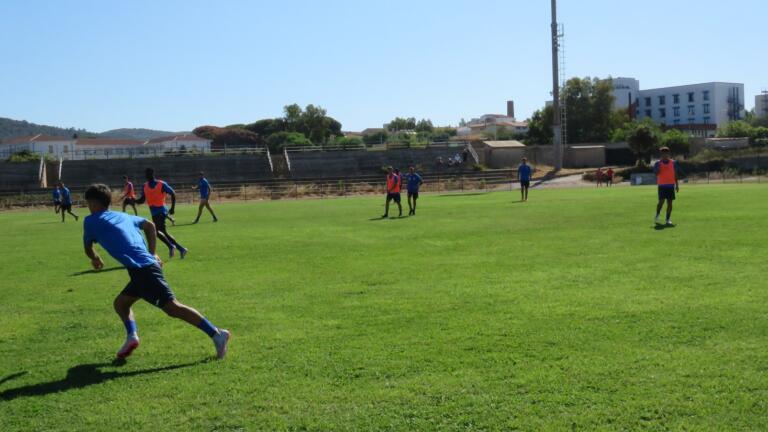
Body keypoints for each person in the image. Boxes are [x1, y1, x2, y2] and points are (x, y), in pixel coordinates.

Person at [81, 184, 230, 360]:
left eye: (89, 203)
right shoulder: (124, 216)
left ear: (94, 203)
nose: (88, 207)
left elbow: (88, 247)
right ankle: (132, 337)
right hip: (140, 270)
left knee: (173, 308)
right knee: (121, 304)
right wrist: (153, 253)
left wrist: (95, 258)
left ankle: (217, 334)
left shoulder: (90, 221)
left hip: (143, 270)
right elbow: (150, 226)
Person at [135, 168, 188, 258]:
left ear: (152, 174)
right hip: (154, 213)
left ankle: (171, 246)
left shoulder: (161, 184)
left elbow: (173, 193)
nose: (146, 176)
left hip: (161, 211)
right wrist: (133, 200)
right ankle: (181, 249)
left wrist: (172, 208)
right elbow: (142, 200)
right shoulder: (145, 186)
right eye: (146, 174)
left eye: (148, 174)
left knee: (155, 230)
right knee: (163, 232)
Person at [654, 147, 681, 226]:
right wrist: (658, 168)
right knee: (661, 202)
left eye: (666, 153)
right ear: (661, 154)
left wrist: (677, 185)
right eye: (663, 153)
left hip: (670, 185)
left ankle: (668, 219)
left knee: (669, 203)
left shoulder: (673, 163)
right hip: (662, 185)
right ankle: (657, 215)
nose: (665, 155)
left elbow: (675, 174)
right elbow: (655, 173)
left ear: (668, 154)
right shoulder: (657, 163)